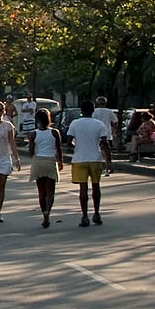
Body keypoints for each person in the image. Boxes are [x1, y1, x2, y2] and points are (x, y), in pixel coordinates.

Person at [66, 97, 112, 227]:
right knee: (96, 187)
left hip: (79, 159)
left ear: (81, 111)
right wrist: (109, 161)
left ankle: (85, 216)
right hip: (95, 159)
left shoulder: (75, 123)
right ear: (93, 111)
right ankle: (97, 214)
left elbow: (69, 141)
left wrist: (76, 146)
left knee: (83, 189)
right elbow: (104, 143)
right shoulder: (99, 124)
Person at [28, 108, 64, 228]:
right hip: (50, 161)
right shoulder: (54, 132)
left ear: (37, 119)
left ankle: (44, 213)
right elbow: (58, 149)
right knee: (50, 192)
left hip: (38, 162)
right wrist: (60, 162)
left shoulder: (34, 134)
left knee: (41, 191)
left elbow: (31, 152)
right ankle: (48, 211)